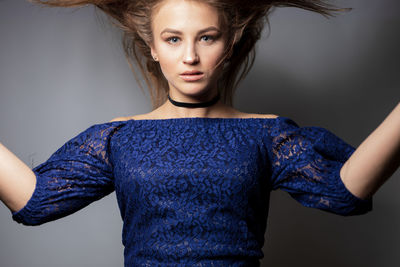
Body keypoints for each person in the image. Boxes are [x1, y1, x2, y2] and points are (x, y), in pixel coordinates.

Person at [0, 0, 399, 266]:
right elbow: (36, 202)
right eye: (173, 39)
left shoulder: (266, 135)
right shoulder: (117, 139)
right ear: (153, 47)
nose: (190, 56)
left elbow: (343, 192)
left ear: (230, 42)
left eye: (206, 37)